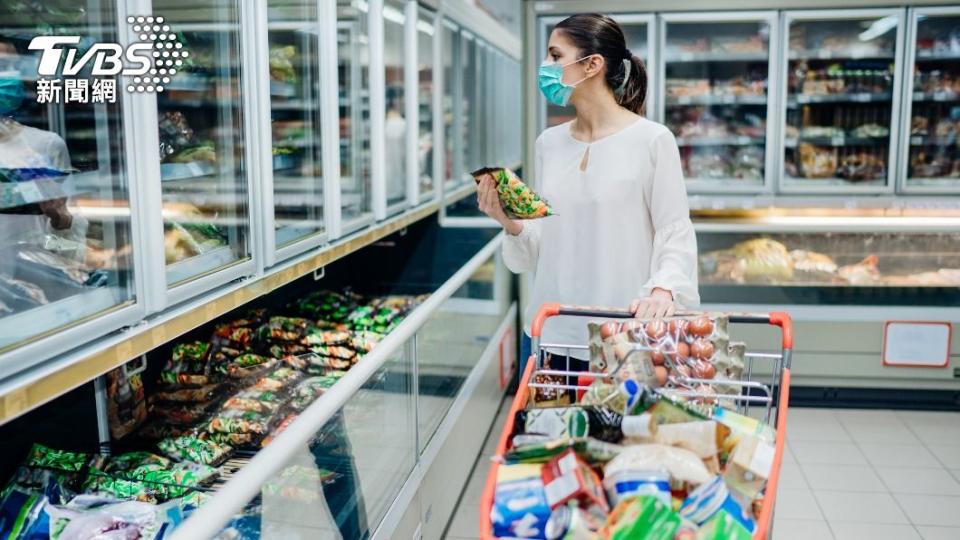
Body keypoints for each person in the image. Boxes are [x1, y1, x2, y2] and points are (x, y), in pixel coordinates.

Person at [477, 13, 699, 376]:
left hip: (622, 335)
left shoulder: (652, 141)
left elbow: (673, 231)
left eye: (554, 56)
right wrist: (509, 221)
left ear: (592, 64)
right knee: (550, 433)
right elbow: (545, 244)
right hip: (551, 332)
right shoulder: (549, 143)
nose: (545, 67)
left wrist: (664, 289)